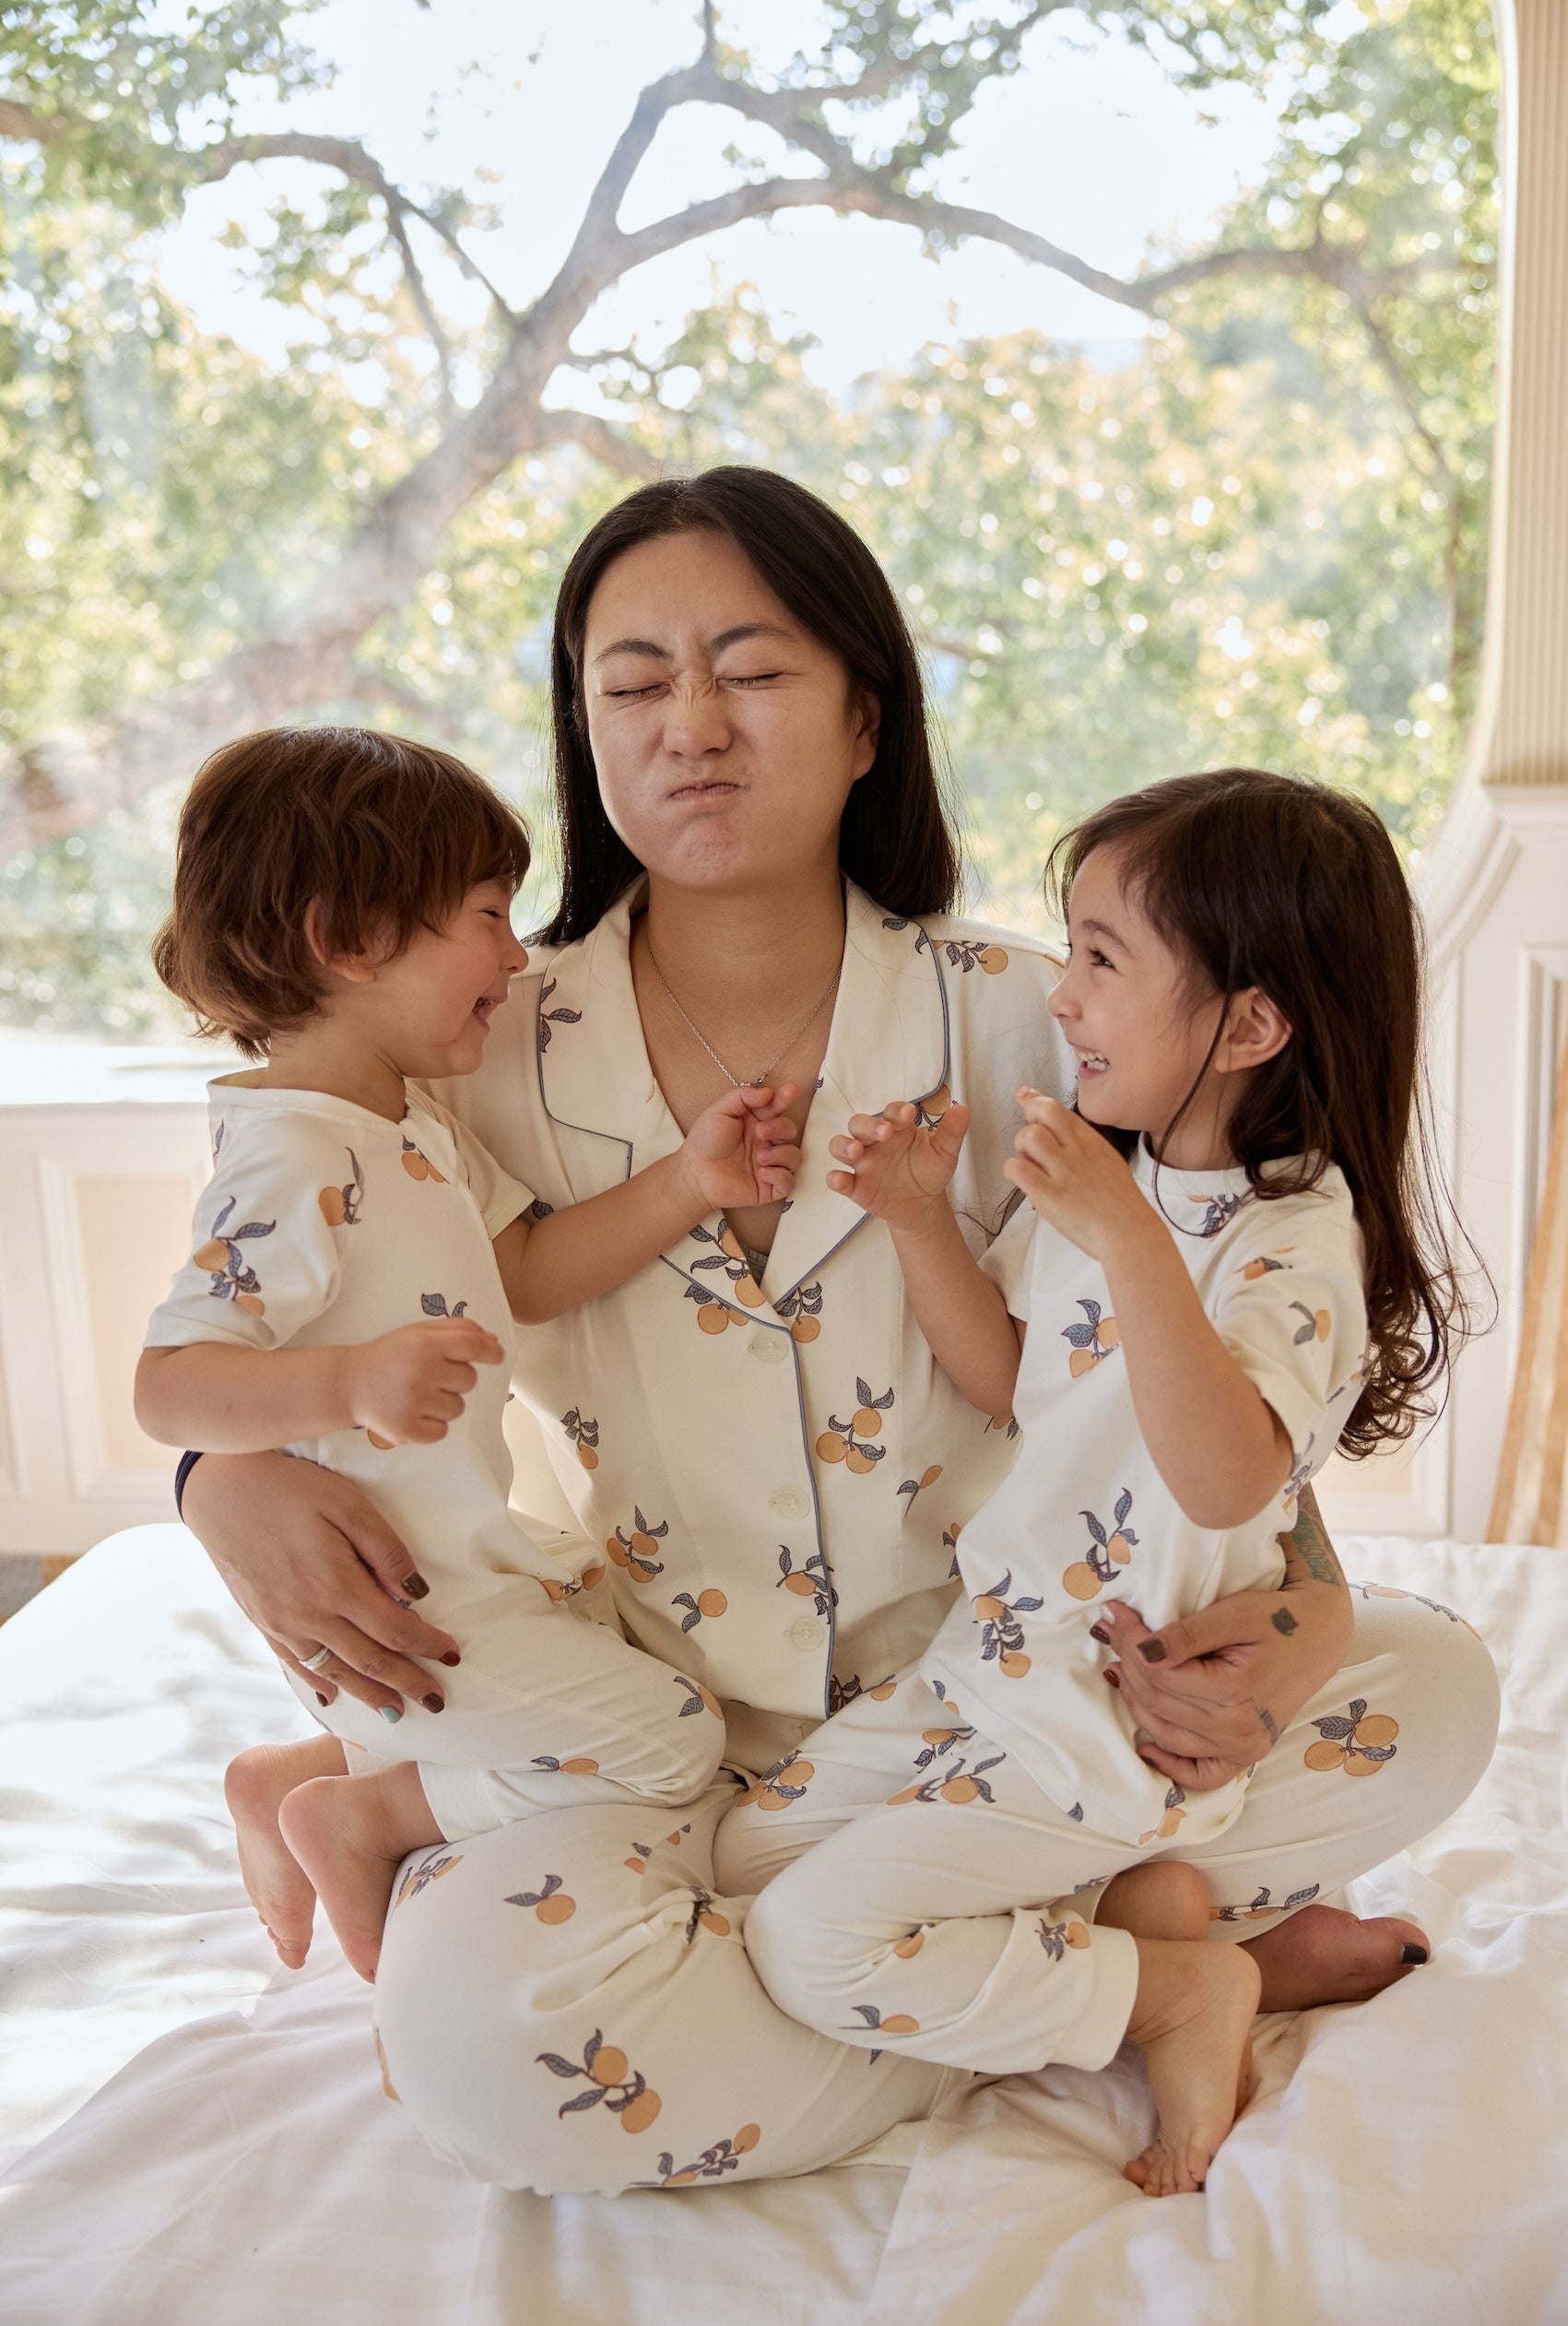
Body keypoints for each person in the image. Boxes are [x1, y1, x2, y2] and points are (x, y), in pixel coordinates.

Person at [173, 467, 1499, 2195]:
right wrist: (217, 1473)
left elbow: (1194, 1345)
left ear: (868, 713)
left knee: (1438, 1689)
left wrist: (1306, 1617)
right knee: (485, 2054)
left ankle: (991, 1952)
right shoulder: (472, 1027)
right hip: (659, 1723)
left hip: (1017, 1680)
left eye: (753, 667)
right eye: (632, 684)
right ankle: (1126, 1959)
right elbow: (265, 1235)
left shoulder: (1051, 1015)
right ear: (584, 732)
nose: (691, 725)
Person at [725, 768, 1474, 2197]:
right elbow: (1016, 1379)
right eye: (1070, 951)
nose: (1063, 998)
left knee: (809, 1940)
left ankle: (1174, 1992)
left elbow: (1225, 1474)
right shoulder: (1110, 1176)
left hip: (1101, 1712)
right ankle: (1178, 1933)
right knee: (740, 1856)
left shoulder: (1291, 1244)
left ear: (1248, 1024)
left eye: (1101, 959)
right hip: (981, 1659)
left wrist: (1130, 1240)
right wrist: (911, 1218)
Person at [136, 725, 802, 1980]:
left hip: (477, 1571)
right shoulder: (290, 1155)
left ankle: (304, 1777)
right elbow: (167, 1384)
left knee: (633, 1663)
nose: (513, 951)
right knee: (673, 1744)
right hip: (397, 1604)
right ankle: (355, 1814)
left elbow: (530, 1266)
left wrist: (689, 1181)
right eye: (487, 916)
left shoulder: (405, 1124)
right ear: (345, 941)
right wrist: (347, 1380)